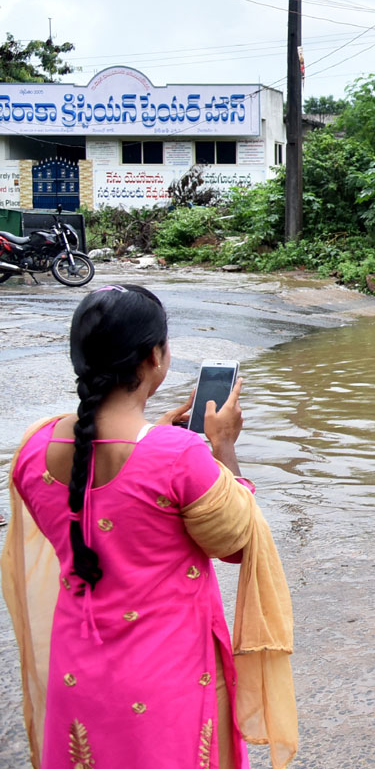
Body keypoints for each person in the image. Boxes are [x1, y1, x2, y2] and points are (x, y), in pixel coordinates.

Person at [1, 284, 297, 769]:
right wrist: (221, 447)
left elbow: (96, 501)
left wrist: (153, 435)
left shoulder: (33, 448)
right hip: (167, 672)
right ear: (155, 357)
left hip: (76, 665)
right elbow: (239, 542)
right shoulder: (180, 456)